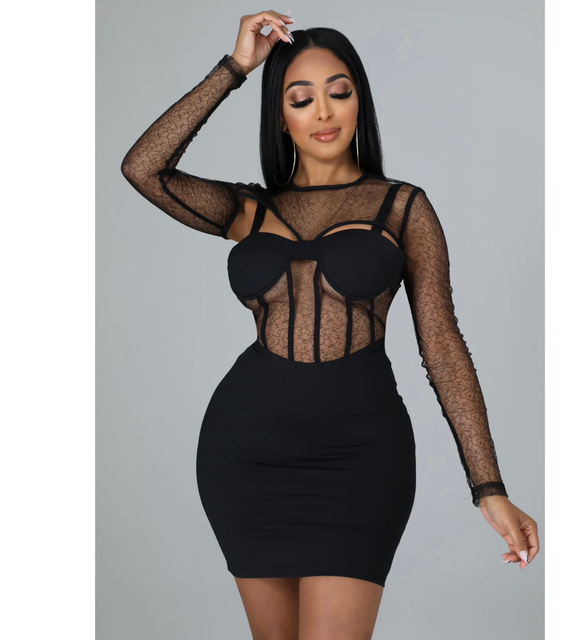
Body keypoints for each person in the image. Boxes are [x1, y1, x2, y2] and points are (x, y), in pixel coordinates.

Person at [121, 9, 539, 639]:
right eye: (300, 98)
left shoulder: (402, 207)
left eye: (339, 93)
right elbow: (143, 168)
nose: (323, 112)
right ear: (280, 115)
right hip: (247, 452)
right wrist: (236, 67)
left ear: (359, 102)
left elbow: (442, 346)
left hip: (360, 457)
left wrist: (488, 485)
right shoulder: (248, 209)